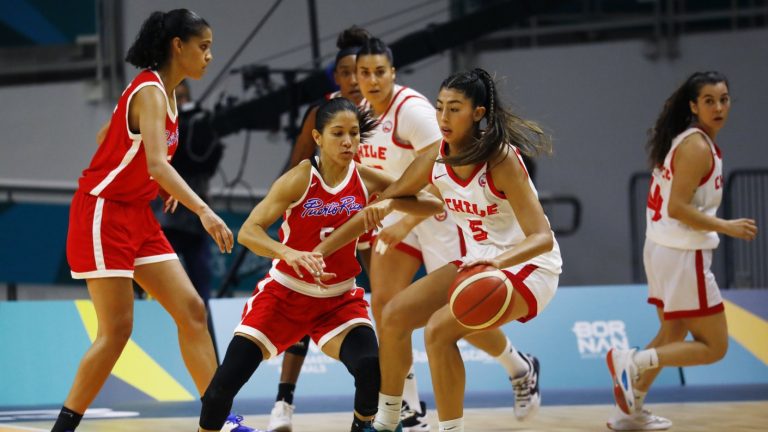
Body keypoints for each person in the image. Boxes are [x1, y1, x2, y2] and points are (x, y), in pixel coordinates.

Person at [321, 68, 562, 432]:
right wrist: (385, 209)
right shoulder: (438, 155)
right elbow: (404, 193)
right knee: (393, 315)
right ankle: (387, 420)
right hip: (479, 261)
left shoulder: (501, 160)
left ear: (478, 113)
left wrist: (495, 262)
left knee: (438, 331)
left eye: (454, 109)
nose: (443, 118)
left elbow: (541, 237)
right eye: (440, 108)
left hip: (528, 265)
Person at [55, 9, 253, 432]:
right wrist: (203, 209)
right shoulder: (149, 91)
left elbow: (109, 138)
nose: (209, 56)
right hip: (103, 213)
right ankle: (64, 427)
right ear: (177, 46)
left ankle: (220, 421)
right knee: (116, 332)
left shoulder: (164, 92)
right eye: (203, 47)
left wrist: (148, 177)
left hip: (137, 215)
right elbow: (159, 164)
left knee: (192, 310)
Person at [196, 98, 444, 432]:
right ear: (317, 137)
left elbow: (432, 203)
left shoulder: (367, 179)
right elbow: (249, 232)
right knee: (220, 390)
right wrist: (289, 253)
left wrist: (389, 204)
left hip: (338, 301)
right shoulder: (299, 179)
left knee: (372, 368)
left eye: (354, 134)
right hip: (285, 295)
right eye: (338, 133)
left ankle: (363, 427)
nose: (347, 142)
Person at [355, 38, 528, 431]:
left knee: (452, 315)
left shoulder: (414, 112)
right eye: (363, 72)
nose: (371, 79)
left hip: (444, 216)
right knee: (387, 308)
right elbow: (399, 181)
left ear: (393, 73)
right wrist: (385, 202)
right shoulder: (362, 115)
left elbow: (440, 176)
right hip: (405, 204)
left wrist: (401, 215)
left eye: (379, 71)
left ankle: (517, 365)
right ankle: (404, 410)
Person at [606, 71, 757, 431]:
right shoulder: (696, 147)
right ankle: (633, 360)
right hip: (682, 254)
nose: (719, 107)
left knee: (671, 335)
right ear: (694, 106)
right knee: (714, 347)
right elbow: (677, 207)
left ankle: (631, 412)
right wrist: (727, 226)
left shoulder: (690, 141)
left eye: (723, 99)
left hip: (663, 250)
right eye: (709, 100)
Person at [268, 25, 372, 432]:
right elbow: (296, 164)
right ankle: (284, 401)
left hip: (369, 217)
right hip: (323, 222)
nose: (352, 79)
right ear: (337, 76)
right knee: (302, 300)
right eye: (345, 72)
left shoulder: (384, 108)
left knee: (384, 312)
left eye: (359, 71)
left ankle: (396, 405)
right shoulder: (323, 111)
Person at [153, 80, 223, 304]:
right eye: (176, 98)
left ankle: (205, 327)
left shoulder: (200, 128)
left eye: (184, 97)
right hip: (166, 219)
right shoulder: (158, 127)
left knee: (201, 281)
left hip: (196, 222)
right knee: (161, 281)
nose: (181, 102)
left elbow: (209, 163)